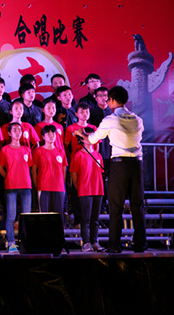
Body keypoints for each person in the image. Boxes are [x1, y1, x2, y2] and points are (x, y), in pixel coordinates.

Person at [75, 86, 146, 253]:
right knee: (137, 205)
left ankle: (114, 245)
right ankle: (140, 244)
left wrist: (80, 134)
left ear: (112, 100)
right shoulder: (137, 119)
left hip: (120, 164)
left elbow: (92, 139)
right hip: (137, 164)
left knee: (116, 205)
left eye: (108, 99)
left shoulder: (111, 119)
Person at [0, 122, 33, 254]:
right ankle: (12, 243)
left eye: (19, 130)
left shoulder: (26, 149)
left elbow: (29, 166)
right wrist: (8, 176)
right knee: (11, 216)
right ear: (9, 133)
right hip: (11, 186)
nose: (17, 132)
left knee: (26, 216)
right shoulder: (5, 149)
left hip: (26, 186)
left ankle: (25, 242)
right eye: (15, 130)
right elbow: (0, 168)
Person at [70, 137, 105, 252]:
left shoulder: (98, 155)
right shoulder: (78, 155)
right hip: (85, 190)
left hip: (98, 190)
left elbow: (100, 172)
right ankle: (86, 242)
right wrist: (80, 188)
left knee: (95, 218)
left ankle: (94, 241)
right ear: (83, 140)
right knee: (86, 219)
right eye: (87, 137)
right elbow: (74, 175)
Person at [31, 125, 68, 223]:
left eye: (53, 134)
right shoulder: (38, 151)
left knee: (58, 217)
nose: (51, 136)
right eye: (48, 134)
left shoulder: (61, 151)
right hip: (43, 187)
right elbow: (34, 170)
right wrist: (37, 185)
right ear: (43, 136)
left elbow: (64, 170)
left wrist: (60, 183)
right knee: (44, 216)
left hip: (59, 188)